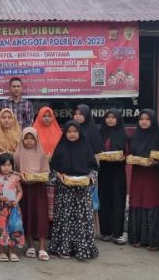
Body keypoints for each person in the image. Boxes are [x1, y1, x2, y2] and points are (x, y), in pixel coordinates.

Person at [48, 120, 100, 261]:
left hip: (82, 192)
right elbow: (52, 169)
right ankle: (63, 248)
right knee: (65, 219)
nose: (72, 134)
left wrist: (90, 178)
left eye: (75, 131)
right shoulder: (60, 148)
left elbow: (94, 168)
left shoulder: (86, 147)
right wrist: (59, 175)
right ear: (65, 133)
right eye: (69, 131)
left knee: (82, 220)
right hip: (65, 191)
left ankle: (82, 249)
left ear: (79, 132)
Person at [127, 109, 159, 250]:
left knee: (153, 203)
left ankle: (154, 241)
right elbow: (129, 153)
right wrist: (130, 158)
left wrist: (156, 162)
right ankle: (137, 238)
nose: (144, 122)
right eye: (141, 119)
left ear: (153, 121)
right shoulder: (134, 137)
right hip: (138, 176)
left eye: (147, 119)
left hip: (154, 177)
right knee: (137, 202)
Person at [15, 127, 51, 261]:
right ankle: (30, 245)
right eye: (26, 138)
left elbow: (47, 171)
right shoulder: (17, 154)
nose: (29, 141)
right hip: (24, 189)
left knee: (40, 215)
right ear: (22, 139)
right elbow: (13, 171)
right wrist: (20, 174)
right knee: (27, 214)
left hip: (39, 188)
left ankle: (42, 247)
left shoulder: (41, 154)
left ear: (36, 139)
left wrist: (39, 175)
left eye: (32, 138)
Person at [0, 153, 25, 262]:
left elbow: (20, 191)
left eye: (9, 165)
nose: (6, 168)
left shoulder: (16, 178)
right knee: (0, 229)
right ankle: (1, 251)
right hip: (0, 208)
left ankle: (12, 251)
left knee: (13, 228)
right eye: (3, 165)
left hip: (13, 208)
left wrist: (16, 200)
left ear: (12, 166)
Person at [98, 109, 128, 245]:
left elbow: (129, 153)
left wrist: (124, 157)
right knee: (104, 200)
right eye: (107, 117)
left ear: (118, 119)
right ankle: (105, 232)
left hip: (118, 171)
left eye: (113, 117)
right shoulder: (100, 133)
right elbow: (94, 150)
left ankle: (118, 234)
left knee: (118, 200)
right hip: (103, 170)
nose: (110, 120)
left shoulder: (124, 134)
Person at [74, 104, 104, 235]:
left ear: (86, 116)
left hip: (89, 171)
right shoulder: (73, 130)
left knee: (88, 201)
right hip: (74, 170)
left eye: (81, 114)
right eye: (76, 114)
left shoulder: (92, 131)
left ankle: (89, 230)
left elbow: (97, 153)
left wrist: (92, 171)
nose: (77, 116)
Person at [0, 108, 22, 174]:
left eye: (9, 117)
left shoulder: (19, 135)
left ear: (13, 119)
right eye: (3, 117)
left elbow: (22, 154)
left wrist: (11, 154)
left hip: (15, 167)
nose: (6, 120)